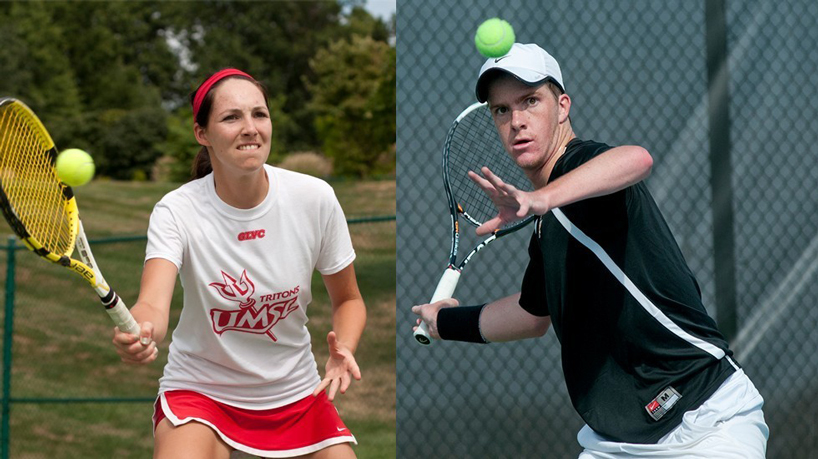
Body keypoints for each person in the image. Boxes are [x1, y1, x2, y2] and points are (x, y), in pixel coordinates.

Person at [412, 43, 768, 458]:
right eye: (501, 110)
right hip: (615, 441)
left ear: (562, 106)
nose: (517, 122)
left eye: (530, 101)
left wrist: (541, 199)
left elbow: (636, 159)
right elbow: (531, 316)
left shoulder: (582, 168)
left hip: (705, 420)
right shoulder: (549, 225)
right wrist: (445, 321)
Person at [112, 68, 366, 459]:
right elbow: (153, 303)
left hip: (296, 393)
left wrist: (343, 347)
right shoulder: (177, 210)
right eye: (232, 118)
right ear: (202, 133)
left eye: (259, 115)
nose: (250, 128)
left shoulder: (314, 197)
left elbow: (348, 300)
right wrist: (143, 330)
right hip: (201, 393)